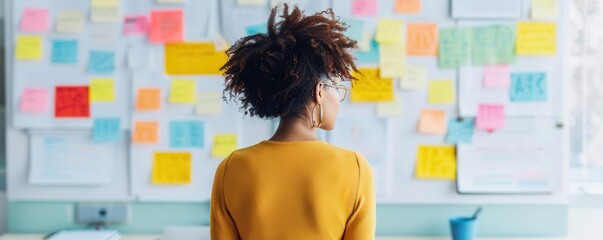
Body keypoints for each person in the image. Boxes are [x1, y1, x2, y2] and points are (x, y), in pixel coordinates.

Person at [210, 4, 376, 240]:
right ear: (319, 92)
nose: (338, 98)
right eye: (335, 88)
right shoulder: (355, 168)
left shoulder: (231, 168)